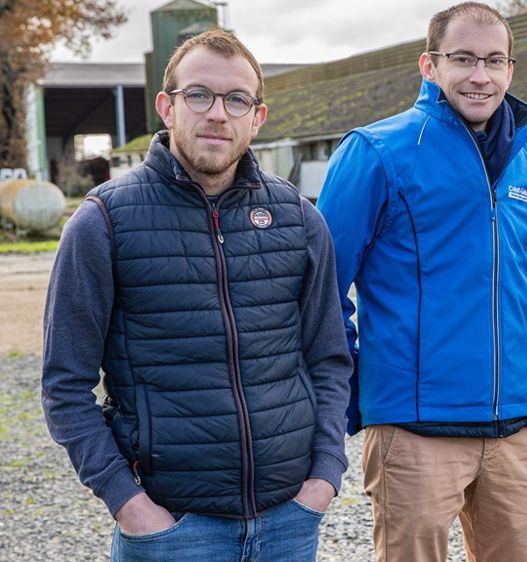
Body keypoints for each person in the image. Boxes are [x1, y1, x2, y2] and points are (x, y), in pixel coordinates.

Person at [41, 30, 353, 561]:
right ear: (167, 106)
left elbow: (327, 358)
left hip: (288, 523)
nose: (217, 114)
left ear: (257, 117)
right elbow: (64, 387)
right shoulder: (103, 222)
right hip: (171, 531)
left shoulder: (300, 219)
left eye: (237, 100)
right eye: (199, 95)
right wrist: (129, 504)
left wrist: (323, 477)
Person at [316, 3, 527, 561]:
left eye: (494, 61)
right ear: (428, 65)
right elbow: (322, 289)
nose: (479, 75)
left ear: (510, 70)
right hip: (414, 427)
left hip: (513, 426)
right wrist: (361, 394)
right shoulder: (376, 151)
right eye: (463, 58)